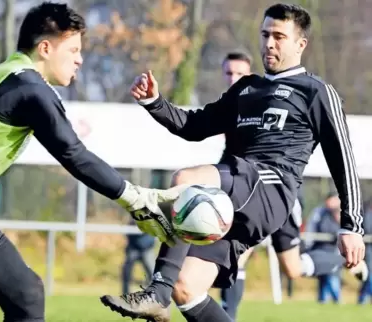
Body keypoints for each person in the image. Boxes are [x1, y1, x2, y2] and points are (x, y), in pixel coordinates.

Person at [0, 2, 184, 322]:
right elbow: (73, 154)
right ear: (45, 48)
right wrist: (137, 199)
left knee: (27, 294)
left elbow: (72, 153)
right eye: (73, 50)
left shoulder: (19, 82)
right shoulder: (27, 88)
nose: (80, 59)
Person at [100, 4, 365, 322]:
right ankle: (167, 289)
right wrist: (154, 103)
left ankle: (157, 291)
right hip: (236, 194)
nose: (269, 43)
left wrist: (351, 225)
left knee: (187, 178)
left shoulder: (316, 92)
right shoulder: (246, 88)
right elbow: (194, 126)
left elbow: (344, 160)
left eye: (279, 36)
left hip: (272, 189)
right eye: (265, 34)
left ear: (300, 44)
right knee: (186, 287)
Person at [218, 52, 367, 320]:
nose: (233, 78)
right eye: (228, 73)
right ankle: (228, 315)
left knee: (293, 268)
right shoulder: (233, 104)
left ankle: (343, 261)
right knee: (252, 258)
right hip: (247, 191)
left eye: (239, 73)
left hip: (279, 197)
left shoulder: (269, 98)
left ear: (250, 74)